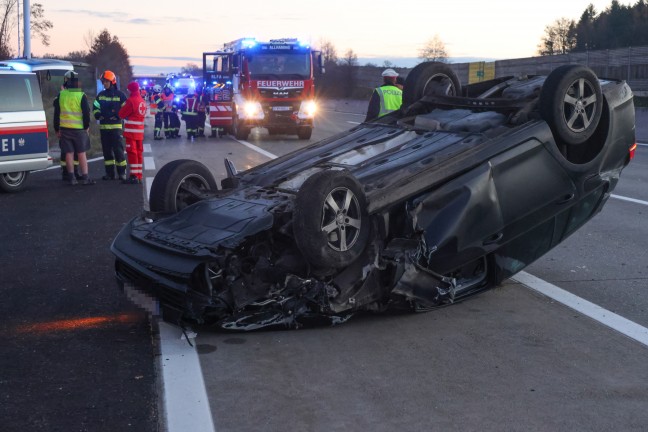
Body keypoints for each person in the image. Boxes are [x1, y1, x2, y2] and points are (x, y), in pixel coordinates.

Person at [53, 71, 95, 185]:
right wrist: (86, 126)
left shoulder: (61, 95)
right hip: (79, 130)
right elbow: (86, 113)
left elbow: (56, 113)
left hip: (65, 129)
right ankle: (85, 178)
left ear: (65, 81)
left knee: (69, 153)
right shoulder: (81, 95)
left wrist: (57, 129)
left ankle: (71, 178)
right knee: (81, 153)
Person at [93, 70, 128, 181]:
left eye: (106, 81)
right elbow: (95, 107)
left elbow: (126, 110)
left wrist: (118, 117)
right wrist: (98, 115)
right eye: (103, 81)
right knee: (107, 152)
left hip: (116, 129)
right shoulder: (101, 95)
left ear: (112, 81)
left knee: (118, 151)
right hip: (104, 128)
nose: (104, 83)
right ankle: (110, 174)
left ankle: (122, 173)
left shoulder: (120, 95)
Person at [119, 81, 147, 184]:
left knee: (132, 153)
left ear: (131, 90)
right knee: (139, 153)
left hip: (131, 132)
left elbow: (121, 114)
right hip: (140, 132)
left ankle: (133, 176)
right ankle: (139, 175)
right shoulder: (142, 101)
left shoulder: (131, 101)